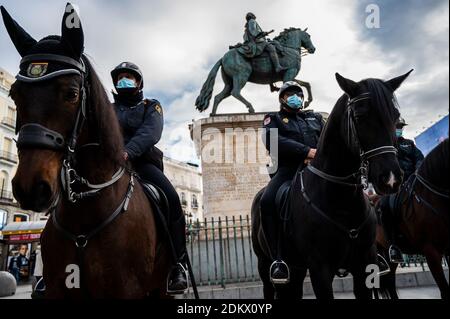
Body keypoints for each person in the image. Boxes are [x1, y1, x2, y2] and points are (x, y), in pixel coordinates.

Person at [111, 62, 188, 294]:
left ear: (139, 83)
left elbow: (150, 133)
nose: (124, 80)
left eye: (129, 77)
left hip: (142, 164)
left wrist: (127, 152)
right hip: (109, 164)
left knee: (173, 201)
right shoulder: (106, 108)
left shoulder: (151, 106)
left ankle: (177, 265)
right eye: (120, 77)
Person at [260, 81, 324, 283]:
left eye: (298, 93)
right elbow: (273, 141)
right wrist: (306, 152)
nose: (295, 96)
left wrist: (318, 156)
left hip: (319, 170)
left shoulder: (316, 118)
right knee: (267, 201)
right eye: (290, 94)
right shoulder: (274, 119)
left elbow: (328, 140)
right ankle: (277, 259)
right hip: (288, 171)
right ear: (282, 99)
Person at [383, 117, 425, 263]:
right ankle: (394, 245)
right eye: (396, 126)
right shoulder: (385, 144)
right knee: (385, 206)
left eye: (400, 126)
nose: (398, 128)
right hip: (394, 184)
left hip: (414, 182)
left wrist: (417, 172)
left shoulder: (409, 144)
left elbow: (419, 159)